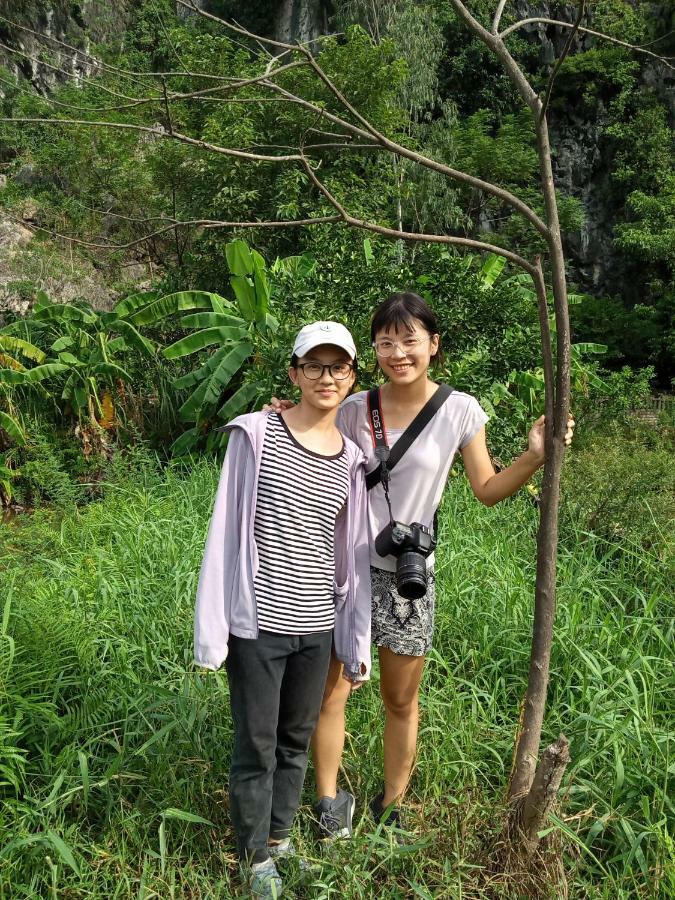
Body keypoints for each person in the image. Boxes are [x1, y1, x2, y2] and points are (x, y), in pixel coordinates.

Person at [269, 291, 575, 841]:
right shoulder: (352, 404)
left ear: (433, 345)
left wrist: (533, 455)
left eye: (410, 340)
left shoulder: (460, 410)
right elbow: (301, 433)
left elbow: (486, 489)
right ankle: (328, 801)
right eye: (386, 341)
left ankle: (392, 804)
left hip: (410, 575)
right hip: (346, 571)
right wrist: (278, 415)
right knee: (330, 692)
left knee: (400, 698)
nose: (398, 352)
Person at [194, 321, 372, 898]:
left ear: (350, 377)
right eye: (314, 366)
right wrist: (213, 627)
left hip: (317, 625)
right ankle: (252, 860)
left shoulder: (351, 457)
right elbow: (225, 532)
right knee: (257, 743)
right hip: (260, 624)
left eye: (338, 368)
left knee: (296, 738)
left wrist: (354, 635)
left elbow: (347, 550)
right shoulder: (257, 435)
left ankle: (279, 838)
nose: (327, 377)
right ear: (294, 373)